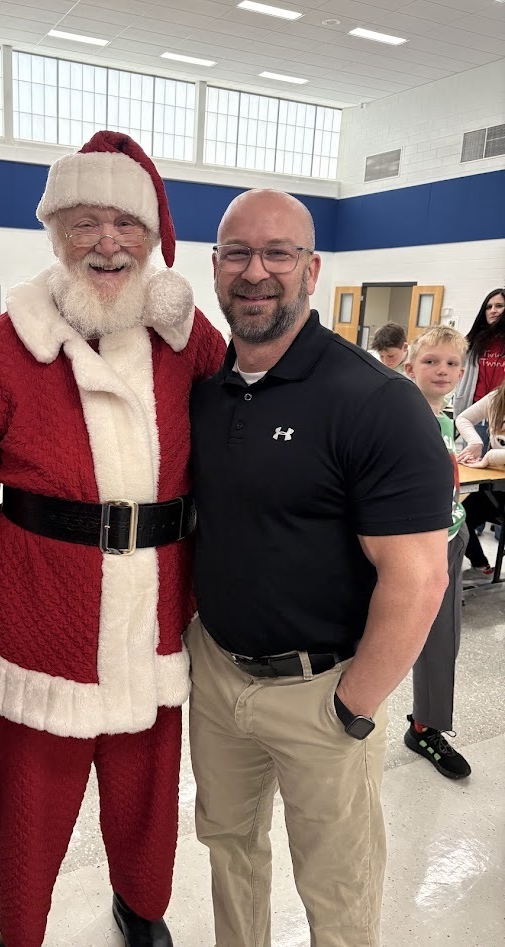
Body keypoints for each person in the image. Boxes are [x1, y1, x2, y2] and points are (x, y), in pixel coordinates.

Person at [0, 131, 226, 947]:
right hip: (40, 623)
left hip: (153, 620)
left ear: (153, 238)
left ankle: (141, 909)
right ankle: (23, 934)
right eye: (85, 222)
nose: (107, 243)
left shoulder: (190, 344)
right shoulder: (8, 349)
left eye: (126, 223)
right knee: (30, 814)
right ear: (55, 233)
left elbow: (249, 435)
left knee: (148, 800)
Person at [187, 188, 453, 947]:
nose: (256, 271)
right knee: (230, 849)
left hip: (322, 691)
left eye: (279, 253)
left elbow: (421, 579)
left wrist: (353, 705)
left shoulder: (375, 402)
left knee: (335, 891)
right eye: (238, 252)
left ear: (313, 268)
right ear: (215, 267)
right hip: (219, 675)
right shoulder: (206, 394)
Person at [402, 327, 471, 778]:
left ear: (462, 372)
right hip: (407, 548)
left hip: (449, 539)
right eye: (431, 362)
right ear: (410, 368)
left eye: (450, 364)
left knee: (441, 641)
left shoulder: (446, 420)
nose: (441, 371)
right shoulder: (399, 418)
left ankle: (426, 727)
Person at [456, 376, 505, 574]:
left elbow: (493, 455)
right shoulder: (497, 398)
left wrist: (490, 456)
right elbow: (463, 417)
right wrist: (475, 442)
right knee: (459, 517)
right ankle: (479, 562)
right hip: (497, 486)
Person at [453, 288, 505, 419]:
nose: (493, 310)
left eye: (499, 306)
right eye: (489, 307)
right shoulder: (473, 341)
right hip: (475, 411)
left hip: (501, 413)